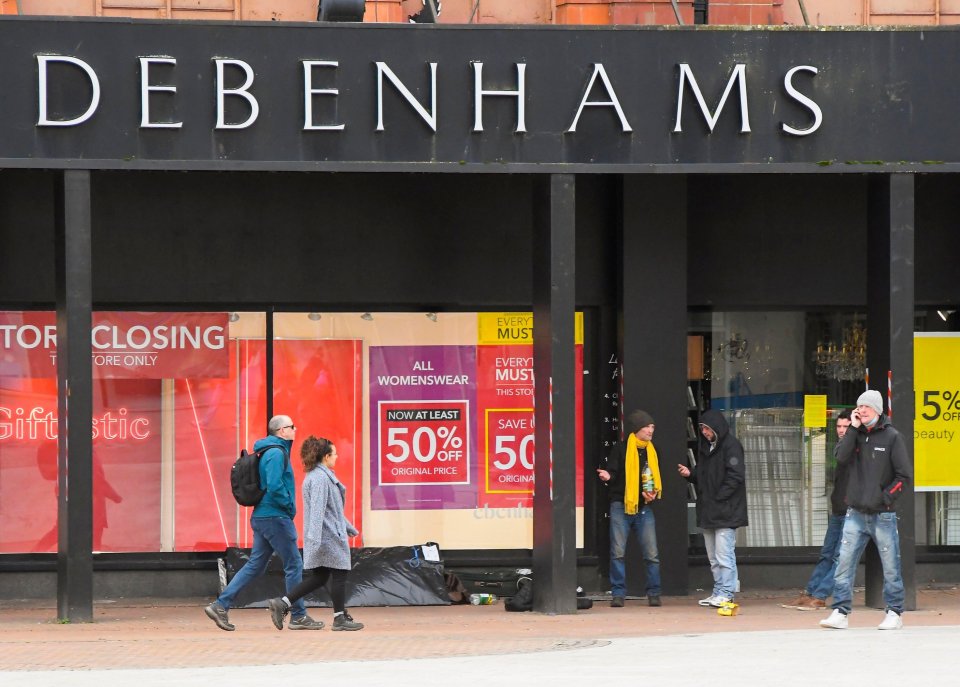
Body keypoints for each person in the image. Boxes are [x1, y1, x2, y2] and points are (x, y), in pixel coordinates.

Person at [204, 416, 323, 631]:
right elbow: (275, 486)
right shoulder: (276, 453)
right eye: (291, 427)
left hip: (263, 516)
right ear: (281, 431)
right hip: (275, 517)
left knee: (255, 565)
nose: (295, 429)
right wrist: (288, 506)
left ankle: (220, 605)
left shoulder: (268, 451)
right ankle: (298, 615)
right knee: (294, 564)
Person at [820, 390, 910, 631]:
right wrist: (852, 429)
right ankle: (840, 611)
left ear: (878, 410)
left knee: (891, 565)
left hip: (883, 514)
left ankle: (894, 612)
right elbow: (840, 457)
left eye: (866, 407)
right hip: (855, 513)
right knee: (844, 563)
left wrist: (886, 498)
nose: (861, 410)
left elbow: (904, 475)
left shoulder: (892, 437)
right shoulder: (855, 435)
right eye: (859, 406)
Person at [267, 435, 363, 631]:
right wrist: (315, 539)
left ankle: (283, 603)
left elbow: (332, 511)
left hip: (325, 534)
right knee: (340, 573)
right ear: (326, 456)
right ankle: (339, 618)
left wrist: (349, 528)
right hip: (327, 536)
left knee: (319, 577)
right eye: (334, 454)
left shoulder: (317, 476)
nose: (337, 457)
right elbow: (319, 511)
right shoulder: (320, 478)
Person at [678, 408, 747, 608]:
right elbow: (703, 474)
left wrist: (719, 497)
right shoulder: (708, 448)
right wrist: (690, 474)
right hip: (712, 509)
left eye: (707, 429)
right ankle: (719, 591)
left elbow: (735, 475)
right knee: (714, 556)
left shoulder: (731, 446)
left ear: (716, 428)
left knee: (724, 554)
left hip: (724, 510)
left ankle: (726, 593)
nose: (705, 433)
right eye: (702, 430)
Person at [783, 409, 852, 611]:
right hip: (839, 508)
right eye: (838, 426)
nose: (841, 430)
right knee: (827, 553)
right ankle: (811, 592)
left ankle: (820, 595)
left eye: (845, 426)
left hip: (850, 509)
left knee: (840, 556)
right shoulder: (841, 448)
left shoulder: (855, 449)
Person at [597, 409, 663, 608]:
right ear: (637, 429)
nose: (651, 430)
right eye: (647, 426)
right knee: (617, 552)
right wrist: (608, 477)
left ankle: (654, 593)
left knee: (652, 554)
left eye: (652, 427)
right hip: (621, 505)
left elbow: (652, 479)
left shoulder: (653, 451)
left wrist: (650, 493)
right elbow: (614, 473)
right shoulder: (621, 449)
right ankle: (618, 593)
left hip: (644, 507)